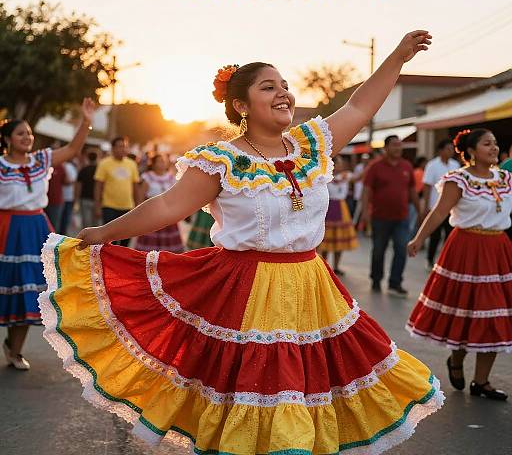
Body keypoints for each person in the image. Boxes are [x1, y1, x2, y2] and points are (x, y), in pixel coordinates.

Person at [39, 32, 444, 454]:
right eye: (268, 87)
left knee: (307, 393)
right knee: (257, 395)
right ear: (241, 105)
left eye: (285, 85)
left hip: (312, 287)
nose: (283, 93)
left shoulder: (311, 145)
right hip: (245, 291)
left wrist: (397, 58)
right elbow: (167, 206)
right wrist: (103, 233)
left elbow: (360, 106)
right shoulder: (222, 160)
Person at [407, 128, 512, 401]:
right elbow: (440, 211)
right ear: (471, 151)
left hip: (499, 249)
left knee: (496, 314)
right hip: (466, 249)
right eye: (487, 143)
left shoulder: (505, 178)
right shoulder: (459, 179)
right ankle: (457, 359)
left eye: (495, 143)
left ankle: (481, 381)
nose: (494, 147)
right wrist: (419, 239)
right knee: (466, 311)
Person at [0, 98, 94, 370]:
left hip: (36, 227)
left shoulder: (41, 159)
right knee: (9, 286)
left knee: (32, 291)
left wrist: (85, 120)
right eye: (20, 134)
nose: (27, 138)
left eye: (29, 133)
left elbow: (74, 148)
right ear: (7, 139)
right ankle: (11, 345)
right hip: (7, 228)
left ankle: (14, 350)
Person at [361, 135, 420, 296]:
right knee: (379, 250)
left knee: (401, 249)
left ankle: (395, 282)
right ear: (386, 148)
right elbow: (367, 191)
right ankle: (376, 279)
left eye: (400, 145)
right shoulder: (375, 166)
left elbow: (412, 190)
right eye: (394, 145)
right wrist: (365, 213)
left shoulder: (407, 166)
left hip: (402, 217)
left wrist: (420, 210)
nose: (398, 148)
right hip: (380, 217)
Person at [93, 136, 140, 246]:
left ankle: (121, 262)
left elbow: (135, 186)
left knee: (126, 239)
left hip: (127, 207)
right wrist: (97, 206)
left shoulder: (132, 164)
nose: (123, 149)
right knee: (109, 240)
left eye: (124, 147)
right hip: (109, 207)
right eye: (119, 146)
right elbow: (98, 186)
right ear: (113, 148)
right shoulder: (104, 163)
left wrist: (138, 206)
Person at [422, 140, 460, 270]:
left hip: (452, 208)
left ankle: (446, 261)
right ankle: (429, 259)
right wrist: (426, 206)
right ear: (441, 150)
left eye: (452, 149)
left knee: (450, 236)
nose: (451, 151)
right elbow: (427, 186)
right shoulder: (432, 165)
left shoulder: (455, 165)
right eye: (448, 149)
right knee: (435, 236)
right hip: (436, 206)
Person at [135, 154, 184, 253]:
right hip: (151, 214)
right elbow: (140, 197)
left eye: (163, 161)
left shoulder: (171, 177)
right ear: (153, 164)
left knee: (168, 246)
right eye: (159, 161)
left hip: (168, 215)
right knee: (150, 246)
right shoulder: (147, 177)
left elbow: (176, 196)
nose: (162, 163)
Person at [318, 155, 358, 276]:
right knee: (327, 239)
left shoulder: (345, 176)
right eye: (339, 163)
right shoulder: (325, 176)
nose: (341, 165)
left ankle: (336, 266)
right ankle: (325, 265)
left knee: (338, 238)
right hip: (329, 207)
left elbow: (359, 177)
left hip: (341, 206)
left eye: (341, 163)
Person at [76, 151, 98, 228]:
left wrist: (77, 199)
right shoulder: (99, 169)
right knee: (95, 223)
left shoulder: (83, 170)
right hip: (96, 200)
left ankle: (87, 239)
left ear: (88, 158)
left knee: (86, 223)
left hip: (84, 198)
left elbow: (79, 185)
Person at [59, 159, 78, 235]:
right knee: (63, 218)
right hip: (65, 196)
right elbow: (67, 181)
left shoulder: (69, 166)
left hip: (68, 196)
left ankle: (63, 233)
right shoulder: (66, 166)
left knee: (65, 218)